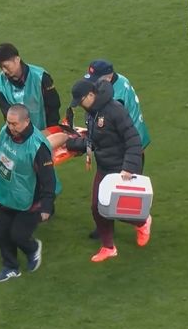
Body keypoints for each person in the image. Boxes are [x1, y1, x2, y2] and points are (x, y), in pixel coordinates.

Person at [65, 79, 151, 263]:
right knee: (97, 208)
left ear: (91, 95)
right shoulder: (91, 114)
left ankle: (142, 222)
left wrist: (129, 167)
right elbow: (96, 140)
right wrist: (72, 143)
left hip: (121, 169)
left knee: (120, 209)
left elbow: (133, 139)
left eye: (81, 101)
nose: (80, 105)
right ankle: (108, 247)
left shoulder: (115, 110)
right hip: (104, 167)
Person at [0, 104, 57, 282]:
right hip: (5, 193)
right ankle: (10, 267)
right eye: (8, 122)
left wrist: (46, 206)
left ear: (26, 122)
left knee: (18, 236)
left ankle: (32, 248)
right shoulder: (5, 132)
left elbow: (48, 178)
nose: (10, 127)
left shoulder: (38, 146)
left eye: (15, 124)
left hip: (28, 199)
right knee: (3, 235)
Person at [0, 43, 65, 215]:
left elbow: (53, 105)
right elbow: (6, 111)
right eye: (1, 67)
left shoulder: (40, 77)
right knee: (17, 169)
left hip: (42, 133)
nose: (4, 71)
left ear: (17, 60)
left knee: (41, 169)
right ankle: (14, 206)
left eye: (6, 66)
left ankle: (44, 205)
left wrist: (50, 131)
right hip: (16, 134)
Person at [82, 59, 152, 240]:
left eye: (96, 80)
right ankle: (106, 229)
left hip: (126, 150)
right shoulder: (120, 81)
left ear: (108, 77)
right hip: (124, 144)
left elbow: (115, 129)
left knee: (122, 200)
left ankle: (141, 222)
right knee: (104, 198)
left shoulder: (114, 98)